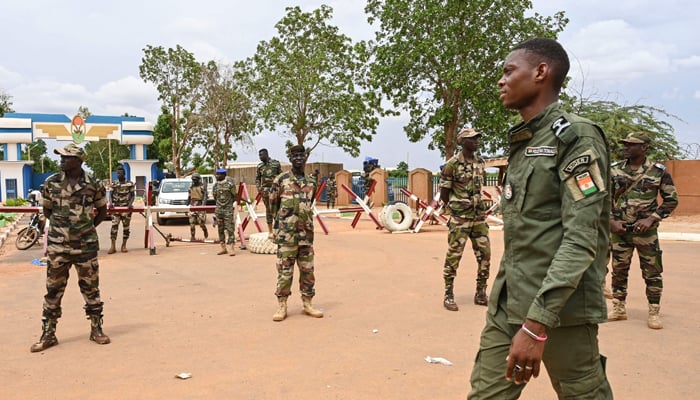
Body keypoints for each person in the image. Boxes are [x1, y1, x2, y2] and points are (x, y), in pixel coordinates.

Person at [467, 38, 613, 399]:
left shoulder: (576, 137)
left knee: (583, 393)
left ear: (541, 72)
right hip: (509, 302)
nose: (501, 81)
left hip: (559, 312)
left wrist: (536, 325)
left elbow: (582, 239)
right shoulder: (525, 140)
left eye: (508, 71)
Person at [30, 143, 110, 352]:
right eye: (61, 157)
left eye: (66, 157)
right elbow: (48, 212)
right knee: (53, 291)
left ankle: (96, 329)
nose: (62, 160)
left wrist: (85, 230)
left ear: (78, 160)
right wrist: (63, 231)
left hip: (86, 247)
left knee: (91, 289)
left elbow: (102, 211)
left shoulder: (94, 183)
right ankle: (48, 334)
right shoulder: (51, 183)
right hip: (58, 247)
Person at [608, 131, 678, 329]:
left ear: (644, 148)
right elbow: (603, 199)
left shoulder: (658, 172)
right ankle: (619, 308)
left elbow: (671, 200)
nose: (626, 147)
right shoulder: (613, 170)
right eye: (625, 144)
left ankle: (654, 312)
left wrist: (652, 218)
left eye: (631, 144)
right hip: (620, 231)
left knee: (652, 272)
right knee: (618, 270)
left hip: (645, 233)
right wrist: (611, 221)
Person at [269, 145, 323, 322]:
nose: (299, 158)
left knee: (308, 271)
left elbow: (310, 203)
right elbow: (273, 207)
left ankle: (307, 303)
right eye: (295, 156)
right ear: (290, 158)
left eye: (302, 155)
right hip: (286, 235)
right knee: (285, 272)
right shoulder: (281, 180)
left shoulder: (311, 181)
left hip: (306, 235)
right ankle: (282, 305)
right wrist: (273, 230)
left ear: (306, 157)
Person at [439, 128, 491, 310]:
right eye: (472, 139)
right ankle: (448, 294)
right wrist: (455, 208)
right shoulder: (451, 164)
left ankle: (481, 292)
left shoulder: (480, 162)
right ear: (462, 141)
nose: (476, 141)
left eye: (477, 138)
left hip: (479, 217)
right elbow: (444, 193)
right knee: (454, 256)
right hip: (460, 218)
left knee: (485, 256)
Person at [256, 148, 283, 239]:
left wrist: (281, 187)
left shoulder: (276, 163)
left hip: (275, 190)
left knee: (277, 209)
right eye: (259, 155)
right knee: (268, 210)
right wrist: (259, 188)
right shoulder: (259, 166)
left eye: (261, 155)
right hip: (265, 192)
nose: (260, 157)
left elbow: (281, 176)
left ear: (266, 154)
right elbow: (257, 178)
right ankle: (270, 231)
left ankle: (278, 230)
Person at [108, 165, 135, 254]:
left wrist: (130, 204)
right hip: (116, 209)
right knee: (114, 227)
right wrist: (111, 203)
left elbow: (132, 195)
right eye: (117, 173)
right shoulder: (114, 183)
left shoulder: (130, 183)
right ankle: (113, 246)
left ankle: (124, 245)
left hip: (126, 209)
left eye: (120, 173)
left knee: (126, 228)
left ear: (124, 174)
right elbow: (110, 195)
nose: (118, 175)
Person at [213, 168, 237, 256]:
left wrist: (229, 205)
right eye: (216, 174)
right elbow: (215, 197)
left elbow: (234, 196)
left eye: (218, 175)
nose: (217, 176)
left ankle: (231, 248)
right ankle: (223, 248)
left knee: (230, 229)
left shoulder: (230, 185)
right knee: (220, 229)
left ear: (223, 175)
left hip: (228, 210)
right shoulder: (215, 185)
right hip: (219, 210)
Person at [187, 172, 209, 241]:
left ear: (198, 179)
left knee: (201, 222)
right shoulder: (191, 187)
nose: (194, 181)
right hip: (192, 205)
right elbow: (189, 197)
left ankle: (205, 230)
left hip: (200, 204)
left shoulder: (202, 187)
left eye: (195, 179)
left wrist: (203, 205)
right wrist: (187, 206)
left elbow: (205, 197)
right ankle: (193, 236)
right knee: (192, 223)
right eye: (193, 179)